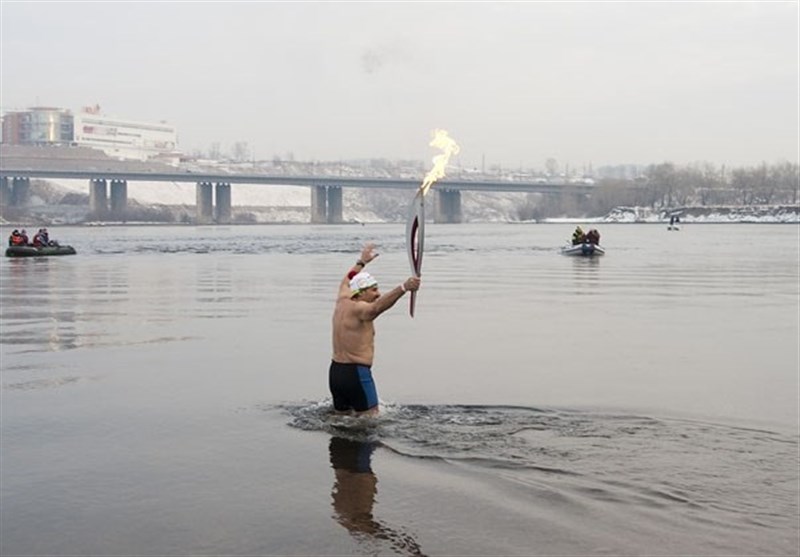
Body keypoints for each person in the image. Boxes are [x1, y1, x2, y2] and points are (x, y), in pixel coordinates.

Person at [329, 242, 421, 416]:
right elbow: (376, 308)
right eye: (374, 290)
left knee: (341, 421)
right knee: (370, 421)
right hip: (357, 374)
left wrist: (362, 262)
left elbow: (347, 279)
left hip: (336, 373)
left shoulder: (342, 300)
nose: (378, 293)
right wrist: (404, 288)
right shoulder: (360, 309)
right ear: (361, 293)